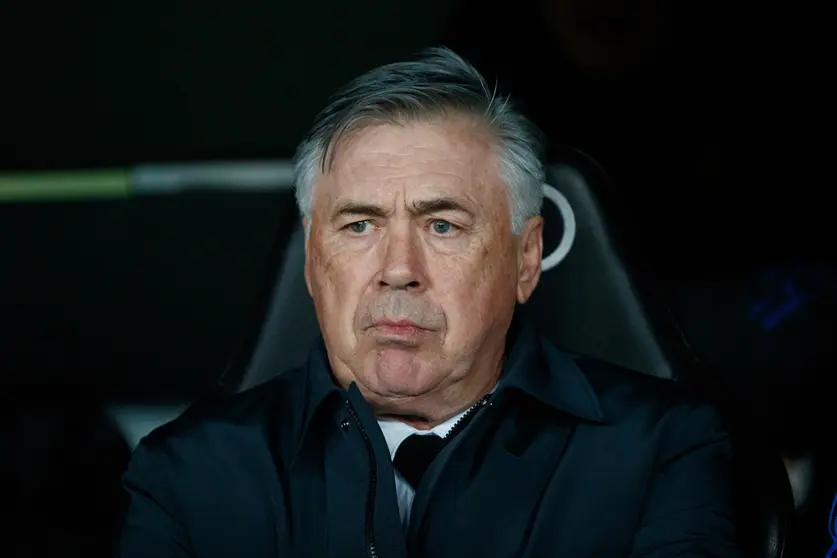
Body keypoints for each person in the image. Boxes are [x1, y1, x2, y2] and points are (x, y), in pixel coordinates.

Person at [117, 47, 738, 557]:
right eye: (359, 225)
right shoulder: (188, 475)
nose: (397, 271)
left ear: (526, 259)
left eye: (442, 225)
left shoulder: (661, 450)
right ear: (311, 260)